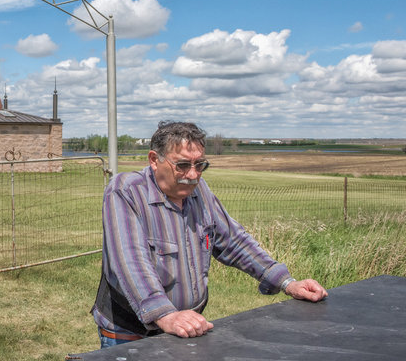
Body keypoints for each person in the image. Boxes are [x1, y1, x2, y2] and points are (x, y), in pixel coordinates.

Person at [92, 121, 327, 348]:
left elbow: (234, 242)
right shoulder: (126, 191)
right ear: (155, 160)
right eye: (182, 165)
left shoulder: (199, 191)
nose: (193, 175)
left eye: (200, 165)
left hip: (183, 329)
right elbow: (130, 261)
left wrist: (287, 283)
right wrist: (165, 315)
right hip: (130, 334)